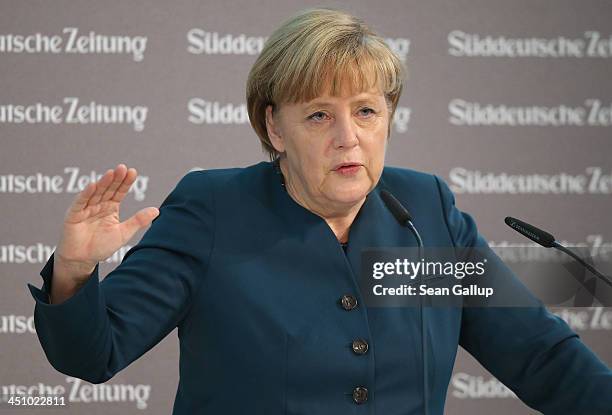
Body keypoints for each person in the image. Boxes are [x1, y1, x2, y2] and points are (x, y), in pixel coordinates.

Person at [28, 7, 612, 415]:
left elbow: (540, 356)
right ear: (273, 127)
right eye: (318, 116)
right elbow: (93, 353)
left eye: (365, 111)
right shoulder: (214, 211)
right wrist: (75, 273)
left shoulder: (424, 212)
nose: (347, 138)